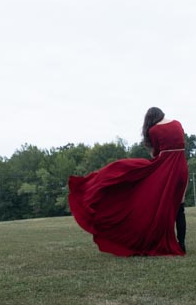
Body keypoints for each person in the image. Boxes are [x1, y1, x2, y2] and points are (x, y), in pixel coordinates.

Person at [68, 107, 188, 256]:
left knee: (157, 203)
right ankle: (182, 244)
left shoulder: (153, 131)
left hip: (167, 168)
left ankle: (157, 239)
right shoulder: (177, 123)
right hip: (182, 168)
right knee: (179, 207)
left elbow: (156, 153)